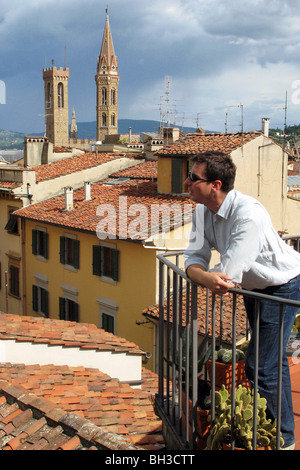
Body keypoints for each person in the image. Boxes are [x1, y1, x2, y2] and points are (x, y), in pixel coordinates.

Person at [184, 151, 300, 450]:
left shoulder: (249, 214)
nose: (186, 182)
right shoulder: (201, 212)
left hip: (282, 286)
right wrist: (203, 275)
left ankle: (283, 439)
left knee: (261, 367)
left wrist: (206, 275)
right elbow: (194, 259)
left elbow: (227, 276)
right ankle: (283, 431)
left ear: (215, 184)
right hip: (255, 287)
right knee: (271, 363)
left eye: (193, 178)